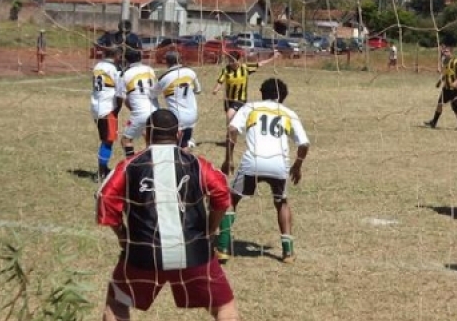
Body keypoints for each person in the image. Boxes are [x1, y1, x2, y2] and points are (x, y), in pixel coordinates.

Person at [96, 109, 239, 321]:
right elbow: (221, 193)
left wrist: (122, 235)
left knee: (117, 303)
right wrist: (210, 229)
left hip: (143, 253)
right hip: (194, 252)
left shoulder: (129, 166)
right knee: (224, 308)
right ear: (179, 135)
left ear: (146, 134)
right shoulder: (198, 165)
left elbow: (104, 197)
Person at [216, 78, 310, 265]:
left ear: (262, 93)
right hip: (279, 164)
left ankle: (223, 248)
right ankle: (288, 252)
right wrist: (297, 166)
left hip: (253, 162)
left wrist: (229, 158)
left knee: (231, 199)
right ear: (282, 96)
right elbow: (304, 143)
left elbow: (232, 129)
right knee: (281, 202)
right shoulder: (289, 113)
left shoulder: (250, 108)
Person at [154, 51, 202, 150]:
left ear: (166, 62)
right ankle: (186, 155)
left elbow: (152, 94)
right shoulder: (190, 72)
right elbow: (198, 90)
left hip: (177, 118)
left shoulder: (164, 78)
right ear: (180, 60)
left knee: (173, 146)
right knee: (184, 144)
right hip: (192, 115)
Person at [117, 49, 159, 157]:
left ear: (125, 60)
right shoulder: (150, 69)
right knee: (150, 140)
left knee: (126, 140)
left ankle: (131, 164)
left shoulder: (124, 74)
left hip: (140, 113)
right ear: (140, 57)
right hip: (156, 112)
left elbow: (121, 97)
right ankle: (152, 161)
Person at [91, 47, 123, 181]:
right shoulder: (114, 70)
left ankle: (103, 169)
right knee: (108, 140)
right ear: (116, 55)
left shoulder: (97, 66)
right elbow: (120, 92)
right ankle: (101, 172)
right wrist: (118, 108)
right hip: (107, 107)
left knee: (106, 139)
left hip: (96, 105)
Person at [425, 46, 457, 130]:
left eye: (446, 51)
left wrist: (456, 82)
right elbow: (445, 74)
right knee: (439, 104)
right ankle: (434, 122)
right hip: (446, 88)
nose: (444, 53)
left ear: (451, 53)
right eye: (444, 52)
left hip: (455, 89)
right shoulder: (445, 62)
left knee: (454, 106)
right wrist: (439, 81)